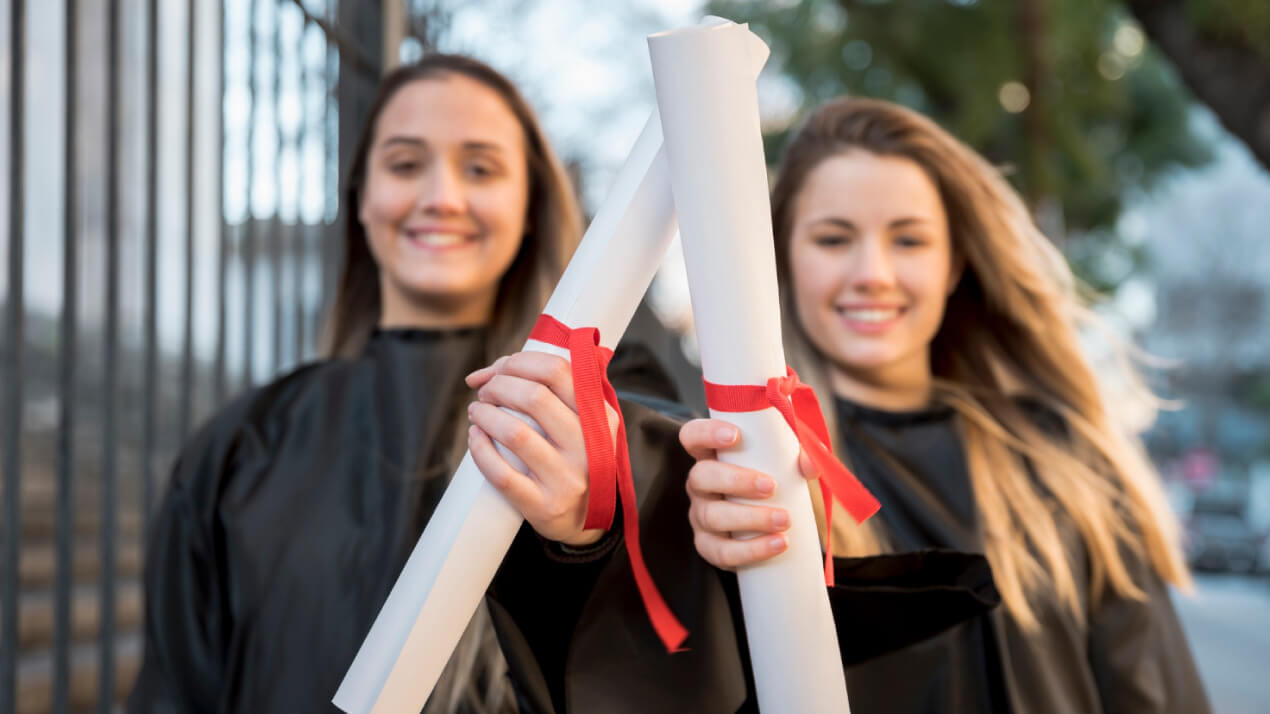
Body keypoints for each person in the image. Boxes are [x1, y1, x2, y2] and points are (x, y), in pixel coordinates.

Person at [679, 96, 1211, 713]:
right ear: (784, 262)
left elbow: (1155, 692)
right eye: (833, 238)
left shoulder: (1066, 463)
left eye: (908, 239)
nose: (872, 272)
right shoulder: (741, 476)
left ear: (955, 262)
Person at [128, 53, 602, 713]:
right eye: (405, 164)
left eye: (481, 168)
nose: (441, 197)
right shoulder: (238, 447)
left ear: (530, 206)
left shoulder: (599, 440)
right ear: (360, 199)